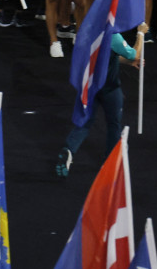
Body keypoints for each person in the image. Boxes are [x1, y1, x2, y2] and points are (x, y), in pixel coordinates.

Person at [56, 23, 147, 178]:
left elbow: (106, 57)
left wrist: (127, 62)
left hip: (91, 86)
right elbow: (133, 54)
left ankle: (69, 150)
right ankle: (110, 164)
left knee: (85, 123)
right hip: (110, 89)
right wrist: (141, 34)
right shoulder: (114, 36)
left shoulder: (90, 31)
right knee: (114, 125)